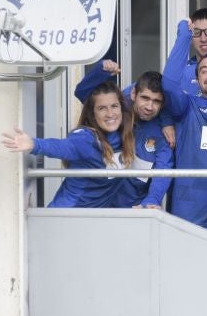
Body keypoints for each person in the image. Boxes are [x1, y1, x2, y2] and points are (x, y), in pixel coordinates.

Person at [156, 17, 207, 228]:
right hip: (190, 207)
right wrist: (184, 35)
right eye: (204, 71)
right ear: (197, 79)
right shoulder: (186, 106)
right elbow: (169, 83)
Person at [2, 81, 136, 208]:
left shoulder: (124, 135)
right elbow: (63, 147)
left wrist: (102, 68)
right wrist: (34, 144)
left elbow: (143, 87)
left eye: (114, 106)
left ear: (122, 108)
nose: (110, 113)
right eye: (102, 108)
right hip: (66, 216)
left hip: (93, 219)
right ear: (92, 114)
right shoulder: (85, 138)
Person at [73, 61, 173, 208]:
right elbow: (83, 94)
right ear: (134, 94)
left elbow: (163, 169)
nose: (149, 107)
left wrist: (152, 199)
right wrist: (101, 71)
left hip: (131, 211)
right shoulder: (114, 112)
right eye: (145, 98)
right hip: (94, 205)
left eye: (156, 101)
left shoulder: (164, 134)